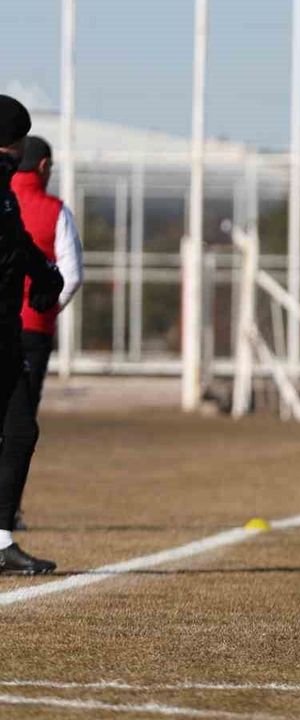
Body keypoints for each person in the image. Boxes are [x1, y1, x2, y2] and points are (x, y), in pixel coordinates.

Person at [4, 136, 84, 532]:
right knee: (19, 427)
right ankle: (8, 516)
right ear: (42, 166)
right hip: (31, 331)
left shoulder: (6, 199)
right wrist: (48, 309)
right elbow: (71, 275)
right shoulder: (54, 210)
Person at [0, 96, 64, 575]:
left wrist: (44, 273)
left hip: (8, 334)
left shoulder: (5, 194)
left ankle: (2, 541)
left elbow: (16, 241)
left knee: (20, 430)